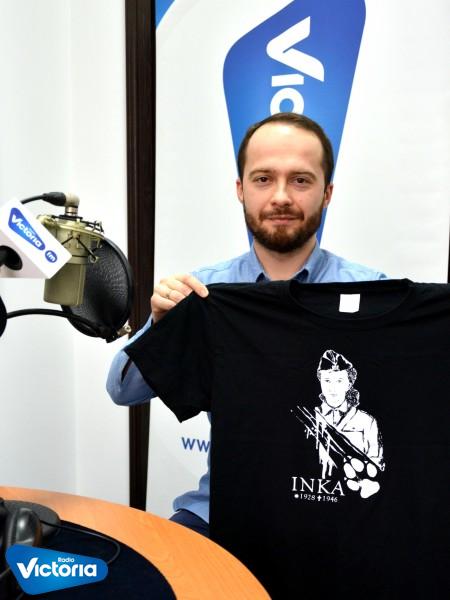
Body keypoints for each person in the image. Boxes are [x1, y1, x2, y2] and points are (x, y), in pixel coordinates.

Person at [106, 112, 386, 537]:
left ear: (327, 193)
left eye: (301, 180)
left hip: (335, 512)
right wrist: (163, 328)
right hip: (222, 508)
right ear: (241, 189)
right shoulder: (205, 293)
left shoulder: (374, 296)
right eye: (263, 179)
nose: (281, 197)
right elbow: (122, 390)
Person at [315, 349, 385, 478]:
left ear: (349, 384)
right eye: (327, 380)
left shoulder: (367, 422)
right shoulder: (310, 418)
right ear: (320, 382)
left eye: (339, 381)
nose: (332, 387)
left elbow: (375, 466)